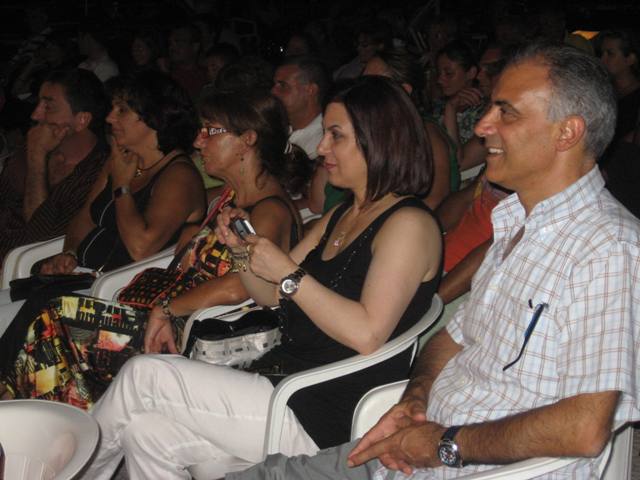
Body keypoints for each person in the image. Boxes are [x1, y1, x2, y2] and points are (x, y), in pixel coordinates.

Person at [225, 43, 640, 480]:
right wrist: (416, 397)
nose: (482, 126)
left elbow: (584, 427)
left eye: (506, 112)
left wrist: (446, 444)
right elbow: (452, 338)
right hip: (409, 450)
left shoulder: (609, 249)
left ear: (567, 133)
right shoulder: (519, 223)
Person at [81, 75, 442, 479]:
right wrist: (242, 253)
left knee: (143, 375)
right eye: (324, 134)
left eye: (336, 135)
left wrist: (288, 272)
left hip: (322, 410)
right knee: (146, 434)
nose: (321, 148)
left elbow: (367, 333)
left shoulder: (408, 225)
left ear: (380, 140)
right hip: (284, 381)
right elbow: (271, 294)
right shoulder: (342, 214)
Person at [0, 89, 308, 408]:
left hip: (188, 332)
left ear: (247, 140)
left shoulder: (268, 210)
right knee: (51, 322)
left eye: (210, 131)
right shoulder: (231, 197)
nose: (198, 141)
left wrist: (167, 308)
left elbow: (237, 287)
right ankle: (41, 413)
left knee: (56, 319)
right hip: (169, 315)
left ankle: (38, 415)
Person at [0, 68, 109, 264]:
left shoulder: (96, 172)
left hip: (25, 266)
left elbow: (39, 237)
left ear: (82, 120)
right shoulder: (30, 148)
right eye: (38, 104)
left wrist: (37, 159)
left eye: (48, 107)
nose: (35, 115)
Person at [363, 48, 457, 209]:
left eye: (373, 84)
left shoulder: (426, 134)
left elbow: (436, 199)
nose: (362, 90)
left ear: (404, 91)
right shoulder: (380, 131)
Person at [432, 41, 485, 155]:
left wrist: (450, 108)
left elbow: (457, 160)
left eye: (449, 73)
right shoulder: (437, 107)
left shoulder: (484, 112)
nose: (440, 80)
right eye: (439, 73)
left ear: (471, 73)